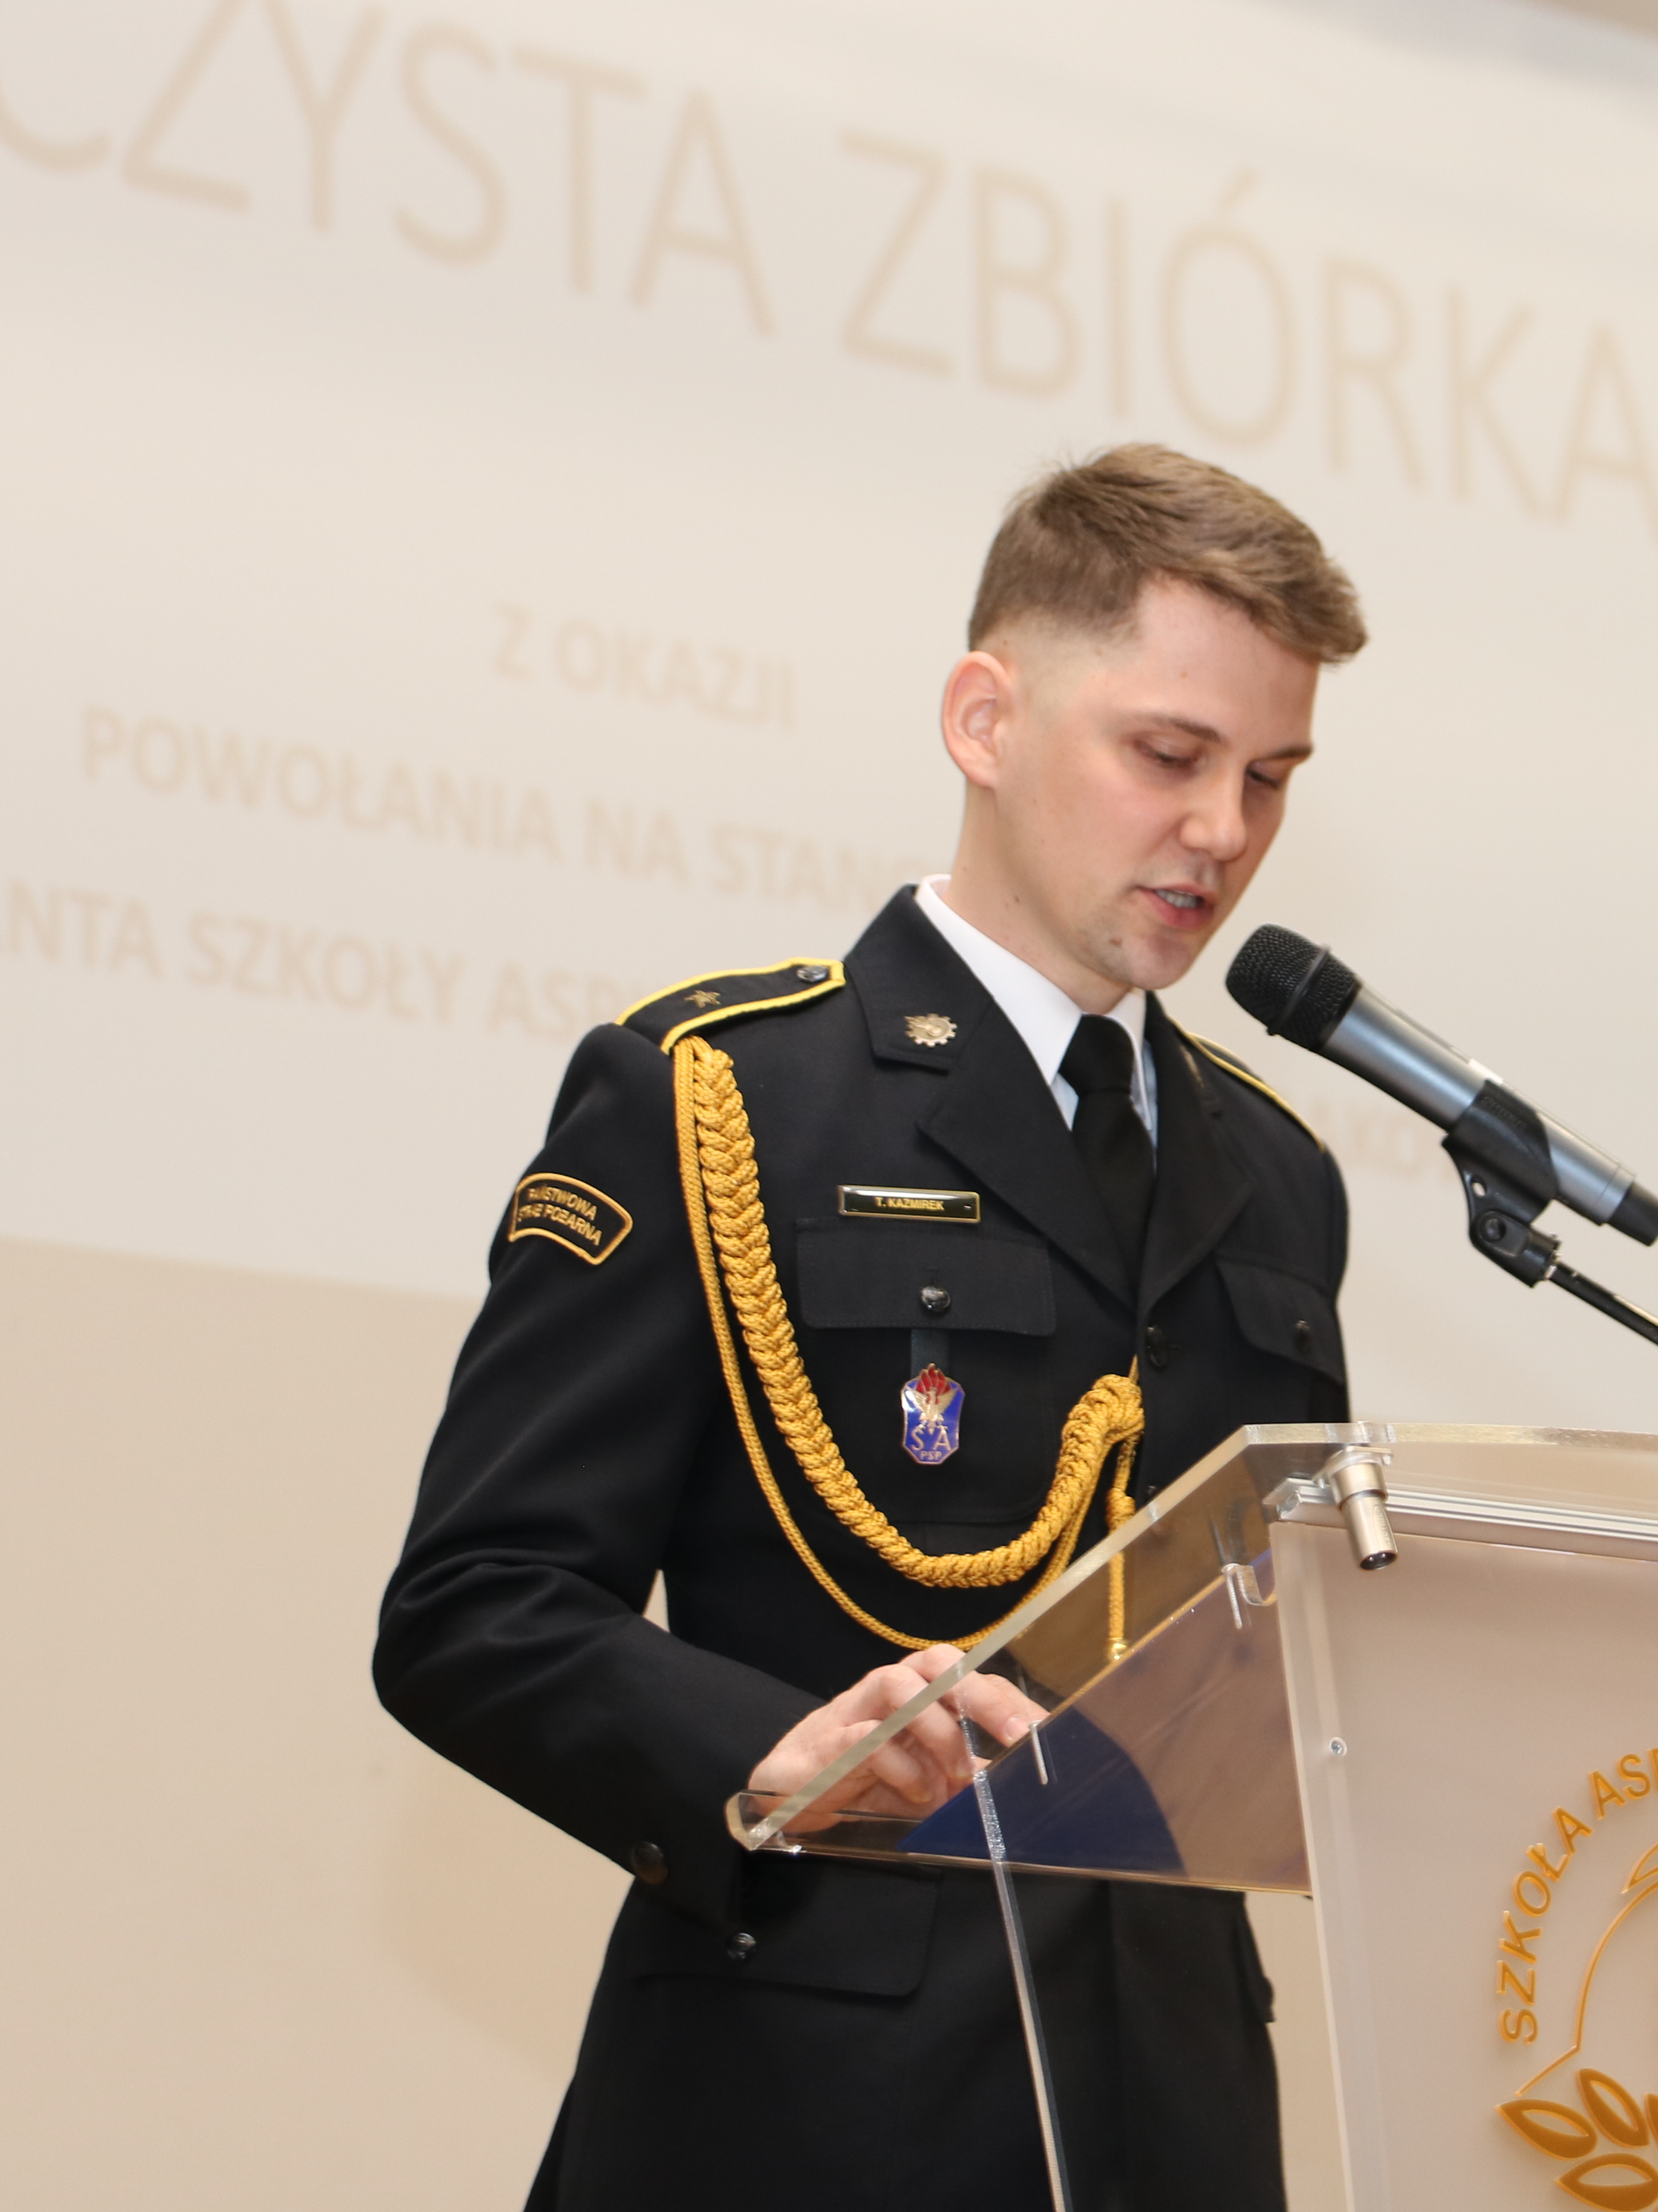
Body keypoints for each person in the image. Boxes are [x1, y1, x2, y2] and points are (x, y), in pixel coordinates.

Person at [375, 444, 1365, 2210]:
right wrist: (763, 1752)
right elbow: (476, 1607)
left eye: (1270, 778)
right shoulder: (721, 1098)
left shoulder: (1278, 1174)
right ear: (985, 720)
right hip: (809, 2105)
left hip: (1181, 2115)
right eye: (1170, 755)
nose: (1225, 832)